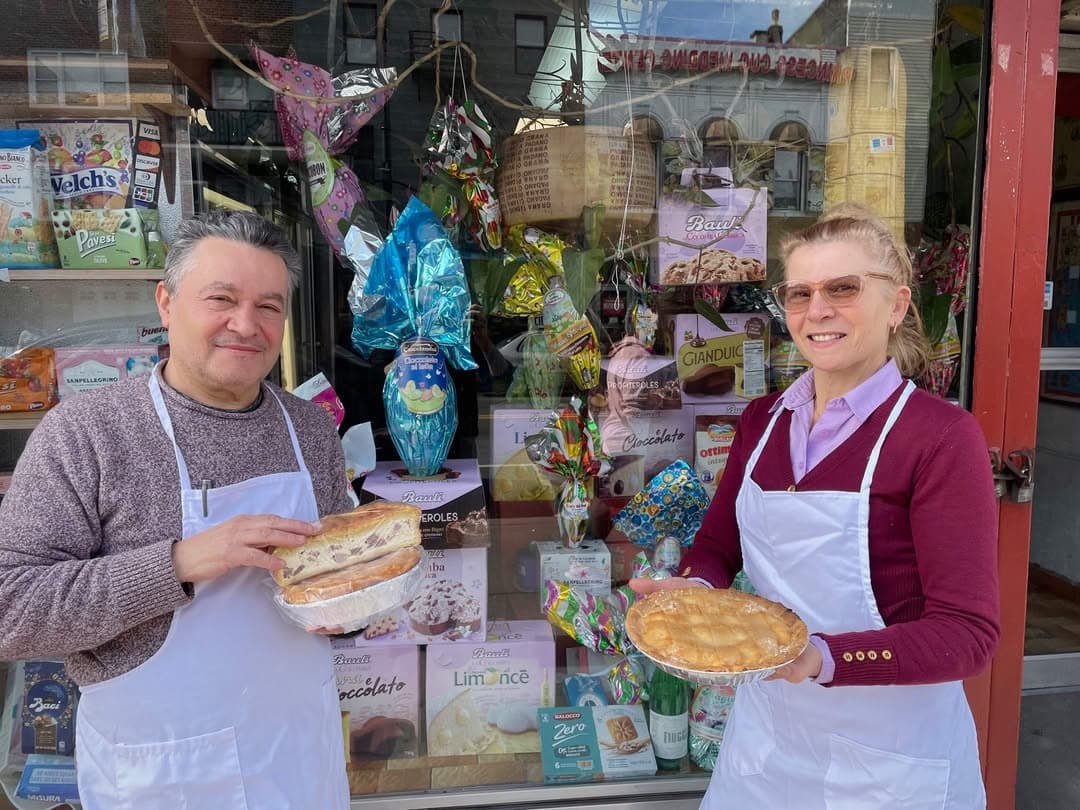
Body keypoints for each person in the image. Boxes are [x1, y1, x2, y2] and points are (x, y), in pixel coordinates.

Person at [632, 204, 1000, 809]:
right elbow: (719, 547)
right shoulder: (762, 420)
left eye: (843, 288)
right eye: (798, 293)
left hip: (888, 761)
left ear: (898, 304)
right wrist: (693, 593)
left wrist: (818, 657)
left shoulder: (938, 437)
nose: (817, 310)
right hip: (767, 743)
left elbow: (969, 635)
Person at [0, 210, 351, 809]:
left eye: (268, 306)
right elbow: (12, 610)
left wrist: (351, 602)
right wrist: (180, 563)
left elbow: (332, 578)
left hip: (297, 758)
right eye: (221, 298)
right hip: (162, 771)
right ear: (166, 303)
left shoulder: (311, 429)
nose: (246, 324)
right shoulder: (85, 433)